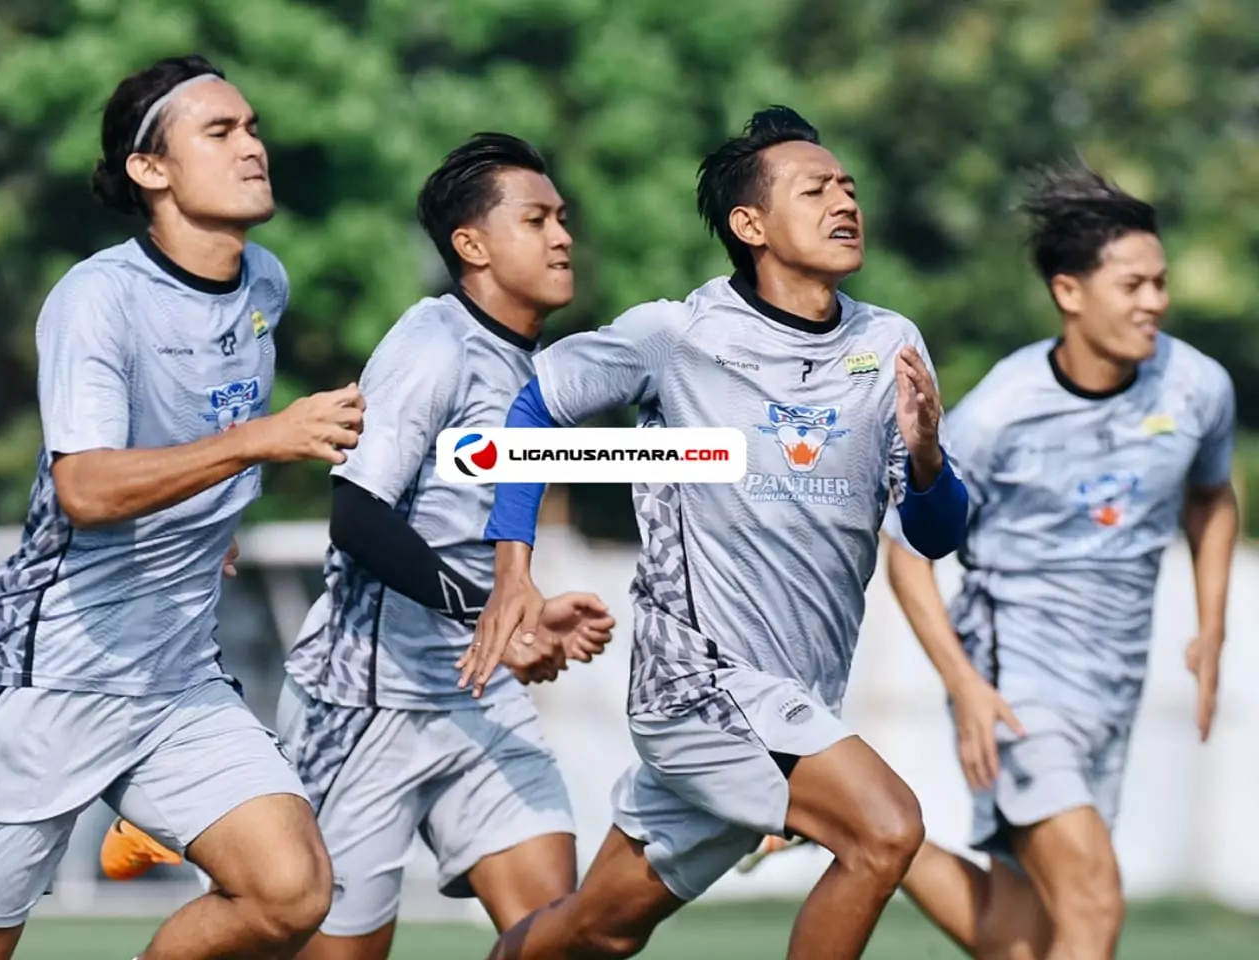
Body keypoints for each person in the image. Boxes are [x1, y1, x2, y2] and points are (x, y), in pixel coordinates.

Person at [470, 106, 969, 960]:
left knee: (598, 930)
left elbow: (935, 534)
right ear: (750, 225)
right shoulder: (679, 335)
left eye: (848, 187)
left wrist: (926, 458)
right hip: (698, 688)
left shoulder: (889, 344)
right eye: (815, 190)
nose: (844, 202)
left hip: (795, 704)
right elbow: (534, 407)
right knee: (886, 829)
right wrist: (512, 572)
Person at [106, 132, 616, 959]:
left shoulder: (541, 372)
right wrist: (492, 614)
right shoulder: (434, 345)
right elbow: (357, 517)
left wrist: (523, 617)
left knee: (567, 940)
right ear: (473, 245)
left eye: (563, 219)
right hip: (364, 705)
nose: (562, 237)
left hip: (478, 699)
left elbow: (473, 529)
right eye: (537, 220)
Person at [0, 55, 367, 960]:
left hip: (177, 679)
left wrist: (211, 517)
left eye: (253, 127)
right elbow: (84, 489)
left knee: (290, 892)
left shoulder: (263, 282)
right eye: (220, 132)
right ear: (149, 169)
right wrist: (255, 443)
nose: (252, 147)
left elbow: (196, 432)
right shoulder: (96, 298)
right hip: (51, 677)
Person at [885, 164, 1239, 960]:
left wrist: (1212, 627)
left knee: (1023, 935)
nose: (1155, 302)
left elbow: (1212, 497)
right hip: (1014, 682)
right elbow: (905, 550)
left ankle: (856, 830)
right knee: (1093, 899)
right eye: (1132, 285)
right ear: (1069, 292)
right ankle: (856, 824)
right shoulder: (1000, 412)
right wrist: (965, 686)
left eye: (1160, 282)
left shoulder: (1197, 388)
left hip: (1112, 684)